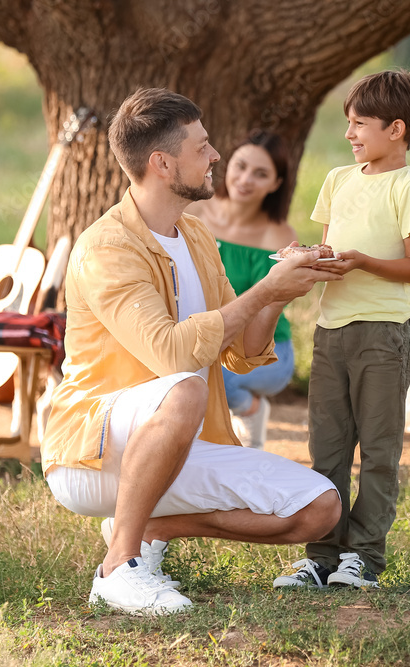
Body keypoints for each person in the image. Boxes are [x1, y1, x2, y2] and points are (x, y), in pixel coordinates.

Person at [41, 87, 344, 616]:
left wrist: (279, 290)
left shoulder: (197, 236)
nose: (216, 157)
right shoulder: (106, 248)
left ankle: (152, 527)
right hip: (91, 453)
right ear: (162, 163)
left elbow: (243, 351)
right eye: (202, 146)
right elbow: (172, 355)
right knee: (183, 388)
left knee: (319, 508)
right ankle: (119, 567)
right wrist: (265, 291)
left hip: (176, 445)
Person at [273, 70, 410, 590]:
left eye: (360, 123)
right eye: (348, 123)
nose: (350, 134)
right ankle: (321, 556)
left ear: (396, 128)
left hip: (383, 335)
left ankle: (363, 556)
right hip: (331, 331)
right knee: (329, 449)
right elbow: (329, 246)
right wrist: (312, 259)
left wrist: (363, 262)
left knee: (379, 451)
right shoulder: (339, 180)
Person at [186, 130, 298, 449]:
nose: (245, 179)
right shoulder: (194, 212)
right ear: (226, 164)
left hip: (267, 350)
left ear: (276, 184)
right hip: (204, 338)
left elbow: (270, 304)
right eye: (241, 166)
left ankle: (251, 411)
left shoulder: (278, 234)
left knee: (214, 379)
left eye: (260, 174)